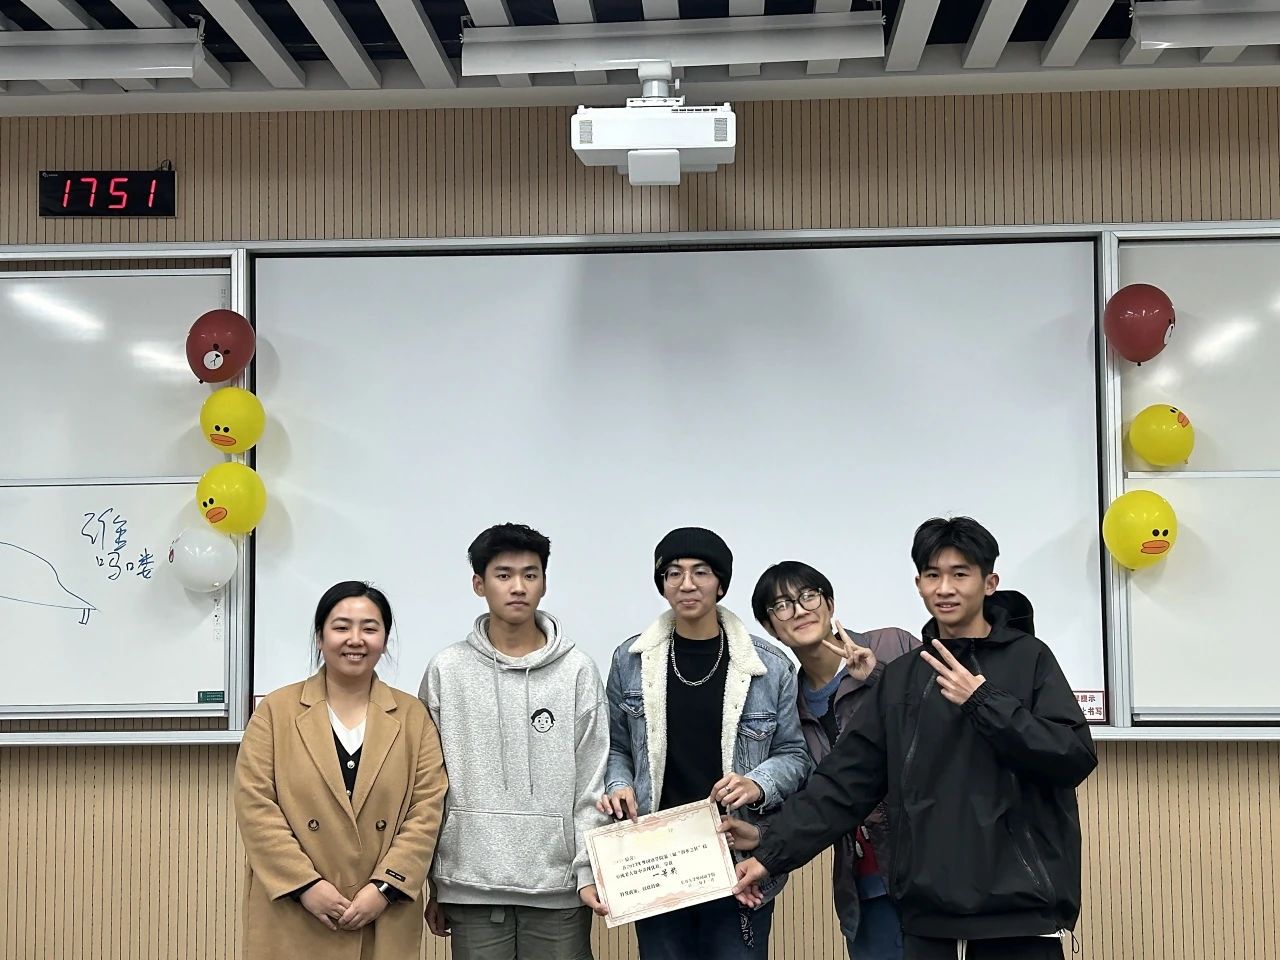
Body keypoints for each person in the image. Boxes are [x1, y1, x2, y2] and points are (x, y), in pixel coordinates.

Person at [731, 517, 1098, 960]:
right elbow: (843, 785)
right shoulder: (903, 678)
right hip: (927, 918)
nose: (945, 588)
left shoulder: (1029, 658)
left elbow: (1072, 756)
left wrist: (983, 701)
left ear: (989, 583)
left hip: (1018, 913)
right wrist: (771, 855)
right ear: (919, 585)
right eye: (932, 575)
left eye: (960, 574)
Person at [599, 527, 812, 960]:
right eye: (673, 573)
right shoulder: (630, 660)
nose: (687, 584)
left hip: (734, 857)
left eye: (701, 572)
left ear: (721, 584)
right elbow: (617, 746)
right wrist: (618, 785)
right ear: (662, 584)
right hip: (656, 860)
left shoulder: (769, 666)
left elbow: (795, 754)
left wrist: (757, 783)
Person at [419, 523, 611, 960]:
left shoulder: (578, 670)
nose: (518, 587)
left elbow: (592, 780)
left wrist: (587, 870)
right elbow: (428, 784)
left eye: (530, 574)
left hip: (560, 889)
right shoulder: (447, 669)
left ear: (544, 583)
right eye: (503, 575)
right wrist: (435, 881)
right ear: (479, 584)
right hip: (470, 884)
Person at [235, 581, 448, 960]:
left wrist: (384, 888)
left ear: (385, 639)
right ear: (320, 637)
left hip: (381, 911)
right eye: (341, 627)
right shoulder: (276, 711)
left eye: (369, 628)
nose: (355, 639)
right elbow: (255, 805)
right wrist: (306, 885)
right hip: (296, 910)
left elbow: (427, 808)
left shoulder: (412, 717)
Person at [735, 561, 920, 960]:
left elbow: (942, 723)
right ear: (770, 627)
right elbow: (812, 797)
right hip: (865, 884)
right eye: (782, 605)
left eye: (808, 596)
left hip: (930, 870)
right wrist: (762, 836)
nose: (799, 610)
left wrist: (877, 675)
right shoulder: (788, 703)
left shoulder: (892, 645)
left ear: (830, 603)